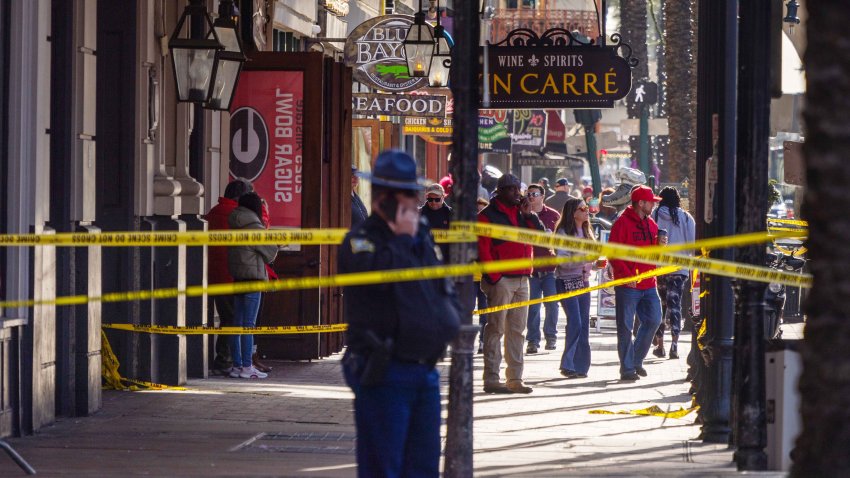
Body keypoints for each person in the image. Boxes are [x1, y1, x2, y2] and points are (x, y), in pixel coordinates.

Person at [339, 150, 461, 477]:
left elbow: (438, 284)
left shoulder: (420, 238)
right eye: (402, 195)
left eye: (412, 194)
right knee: (384, 466)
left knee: (422, 466)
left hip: (424, 368)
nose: (410, 202)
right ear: (383, 197)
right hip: (384, 368)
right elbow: (379, 280)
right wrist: (403, 240)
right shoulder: (362, 240)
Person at [478, 173, 546, 394]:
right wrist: (495, 277)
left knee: (517, 331)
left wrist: (530, 215)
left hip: (522, 278)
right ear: (500, 191)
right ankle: (491, 378)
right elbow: (483, 249)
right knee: (496, 328)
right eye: (512, 189)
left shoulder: (522, 213)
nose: (518, 193)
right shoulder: (487, 216)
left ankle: (515, 379)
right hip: (501, 280)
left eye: (518, 189)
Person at [608, 185, 664, 381]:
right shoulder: (621, 223)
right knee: (625, 327)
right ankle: (627, 369)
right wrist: (627, 275)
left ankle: (636, 360)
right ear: (641, 203)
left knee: (654, 320)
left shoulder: (651, 224)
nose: (654, 205)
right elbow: (613, 253)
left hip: (649, 283)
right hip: (628, 286)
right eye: (651, 202)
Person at [227, 192, 279, 379]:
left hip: (238, 278)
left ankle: (236, 366)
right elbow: (270, 253)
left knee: (236, 325)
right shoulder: (254, 225)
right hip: (253, 279)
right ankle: (247, 367)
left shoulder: (233, 222)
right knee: (248, 326)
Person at [206, 177, 253, 375]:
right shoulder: (239, 215)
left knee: (228, 317)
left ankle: (228, 359)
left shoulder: (214, 212)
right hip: (233, 273)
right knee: (234, 318)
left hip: (214, 273)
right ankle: (225, 359)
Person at [554, 197, 602, 379]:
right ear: (572, 212)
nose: (586, 210)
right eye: (582, 208)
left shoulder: (587, 231)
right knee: (575, 321)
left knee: (583, 324)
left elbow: (590, 259)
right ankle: (568, 364)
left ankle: (581, 366)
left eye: (586, 207)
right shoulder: (563, 232)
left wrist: (597, 264)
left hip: (583, 282)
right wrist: (585, 260)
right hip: (566, 281)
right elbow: (562, 261)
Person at [652, 186, 695, 359]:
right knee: (675, 304)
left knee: (662, 305)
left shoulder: (654, 215)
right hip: (680, 269)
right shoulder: (685, 217)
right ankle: (675, 346)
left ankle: (660, 345)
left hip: (659, 267)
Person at [524, 184, 561, 354]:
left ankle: (551, 337)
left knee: (552, 305)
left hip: (551, 269)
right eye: (529, 194)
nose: (531, 196)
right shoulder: (523, 216)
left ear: (542, 196)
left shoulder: (553, 216)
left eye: (535, 194)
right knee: (533, 307)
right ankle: (532, 340)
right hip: (531, 269)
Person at [419, 183, 452, 260]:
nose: (433, 202)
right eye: (430, 199)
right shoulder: (419, 214)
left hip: (445, 259)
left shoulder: (451, 214)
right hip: (424, 258)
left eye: (437, 199)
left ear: (443, 197)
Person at [474, 197, 490, 354]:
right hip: (469, 278)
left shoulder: (490, 227)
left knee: (485, 312)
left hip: (485, 277)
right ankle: (463, 343)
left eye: (481, 211)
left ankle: (482, 341)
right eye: (476, 210)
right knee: (466, 311)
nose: (478, 213)